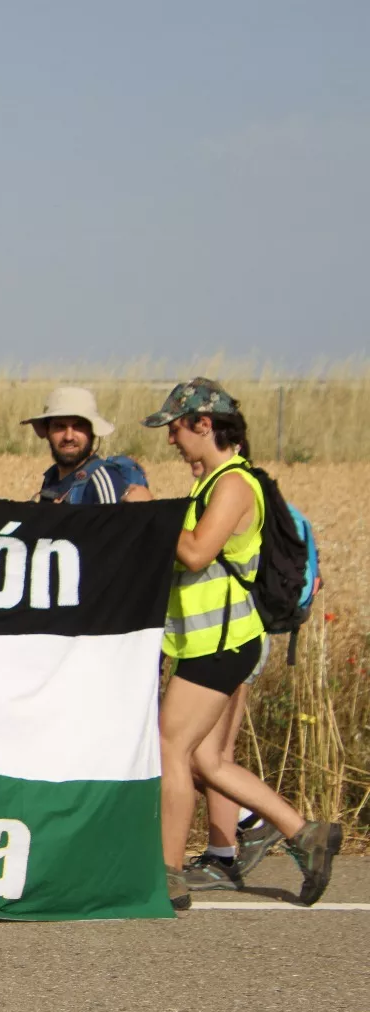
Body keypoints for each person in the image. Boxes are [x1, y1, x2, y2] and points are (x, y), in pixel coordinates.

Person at [144, 378, 341, 910]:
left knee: (171, 749)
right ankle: (305, 833)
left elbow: (196, 554)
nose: (172, 442)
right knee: (208, 761)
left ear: (204, 425)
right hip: (206, 643)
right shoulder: (210, 485)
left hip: (222, 644)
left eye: (177, 430)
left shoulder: (233, 486)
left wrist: (149, 514)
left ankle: (166, 874)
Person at [21, 386, 152, 504]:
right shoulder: (52, 478)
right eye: (59, 426)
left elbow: (113, 530)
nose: (69, 436)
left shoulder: (102, 479)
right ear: (47, 431)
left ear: (92, 432)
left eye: (78, 426)